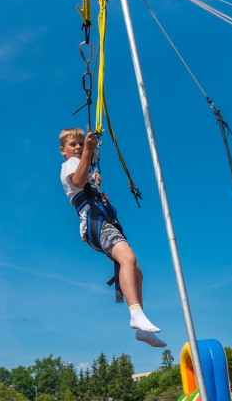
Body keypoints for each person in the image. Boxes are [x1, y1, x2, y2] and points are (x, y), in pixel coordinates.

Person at [58, 126, 165, 348]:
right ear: (63, 150)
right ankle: (135, 314)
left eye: (80, 143)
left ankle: (141, 324)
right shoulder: (70, 164)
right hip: (96, 222)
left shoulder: (80, 165)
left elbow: (84, 184)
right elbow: (77, 182)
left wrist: (94, 180)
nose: (78, 147)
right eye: (73, 145)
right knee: (128, 257)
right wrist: (88, 150)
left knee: (137, 273)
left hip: (102, 220)